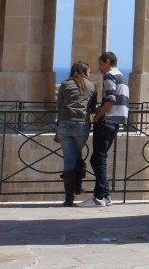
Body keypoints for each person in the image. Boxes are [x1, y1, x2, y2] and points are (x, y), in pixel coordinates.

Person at [79, 51, 129, 207]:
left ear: (107, 62)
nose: (99, 68)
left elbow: (110, 99)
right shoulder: (121, 76)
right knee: (98, 158)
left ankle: (99, 197)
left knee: (99, 159)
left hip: (107, 120)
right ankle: (105, 195)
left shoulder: (110, 75)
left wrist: (97, 116)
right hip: (117, 120)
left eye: (100, 64)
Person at [53, 61, 96, 207]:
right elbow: (93, 106)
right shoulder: (91, 86)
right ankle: (78, 185)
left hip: (64, 124)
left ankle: (69, 198)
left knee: (69, 159)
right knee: (77, 153)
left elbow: (59, 105)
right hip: (81, 125)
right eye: (89, 72)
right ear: (84, 72)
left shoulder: (65, 84)